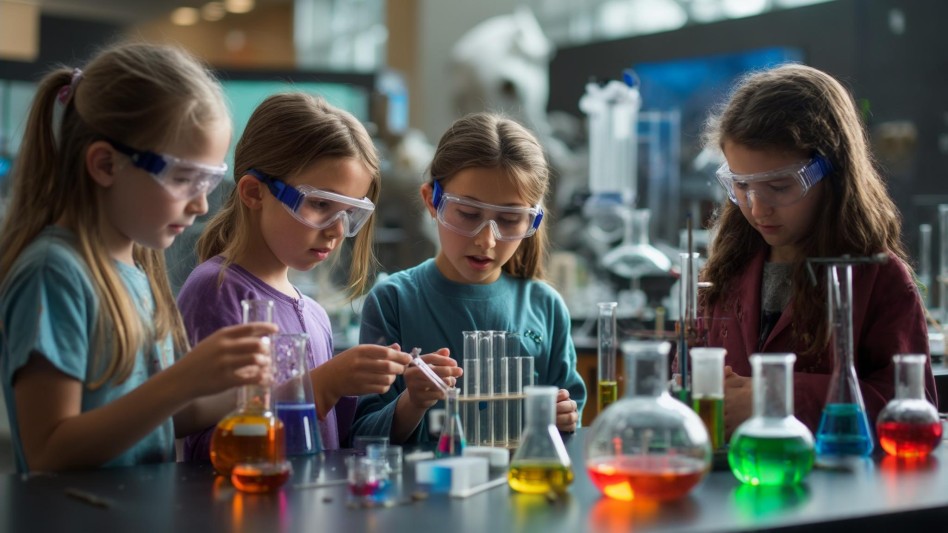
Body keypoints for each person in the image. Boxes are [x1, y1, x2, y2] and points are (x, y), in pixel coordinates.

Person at [0, 43, 275, 473]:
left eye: (209, 181)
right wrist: (182, 381)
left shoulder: (137, 271)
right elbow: (48, 450)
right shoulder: (53, 272)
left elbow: (160, 418)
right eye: (186, 179)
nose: (202, 205)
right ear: (106, 164)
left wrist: (258, 390)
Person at [698, 64, 936, 437]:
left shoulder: (878, 278)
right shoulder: (727, 270)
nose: (758, 208)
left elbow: (913, 410)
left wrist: (776, 398)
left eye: (779, 186)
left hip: (836, 487)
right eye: (741, 185)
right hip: (730, 484)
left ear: (831, 173)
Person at [176, 93, 411, 458]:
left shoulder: (314, 314)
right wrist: (324, 384)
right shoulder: (218, 291)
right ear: (255, 192)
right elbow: (206, 450)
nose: (336, 230)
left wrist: (402, 399)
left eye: (351, 213)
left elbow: (331, 442)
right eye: (320, 204)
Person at [352, 112, 586, 445]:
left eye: (509, 220)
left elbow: (570, 412)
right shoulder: (393, 301)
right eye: (468, 213)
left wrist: (563, 417)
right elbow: (362, 434)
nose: (486, 240)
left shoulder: (545, 307)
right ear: (432, 201)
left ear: (532, 222)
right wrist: (412, 402)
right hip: (425, 493)